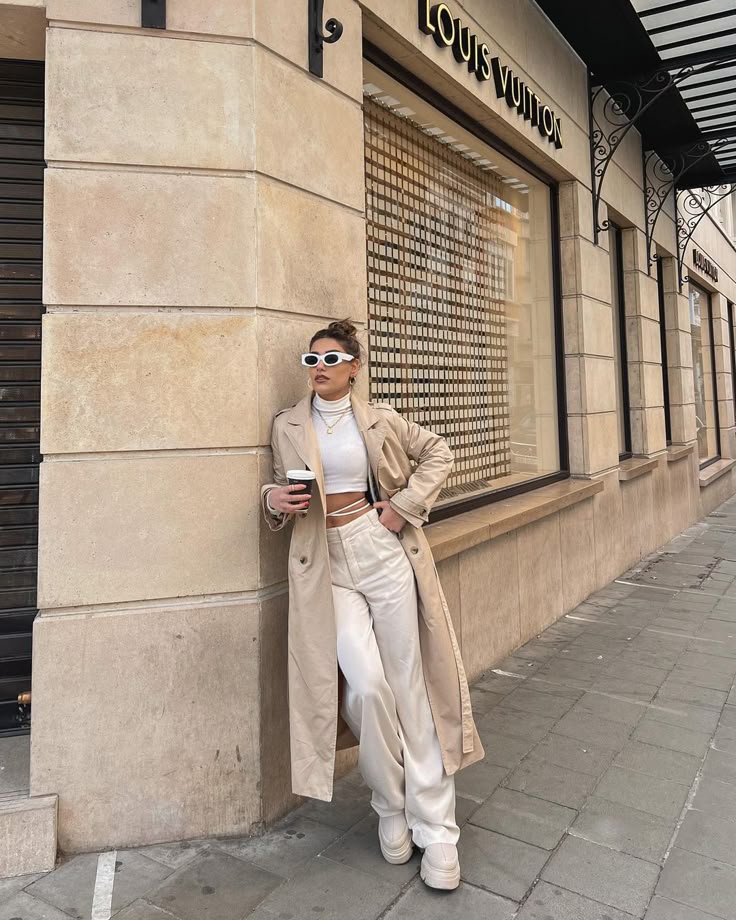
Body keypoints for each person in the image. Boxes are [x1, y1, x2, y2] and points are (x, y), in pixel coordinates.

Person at [261, 319, 483, 890]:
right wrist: (272, 499)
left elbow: (439, 453)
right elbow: (278, 493)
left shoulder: (381, 418)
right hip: (323, 562)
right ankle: (390, 803)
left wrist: (402, 506)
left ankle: (436, 828)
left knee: (410, 685)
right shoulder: (287, 423)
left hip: (379, 547)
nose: (320, 369)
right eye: (312, 361)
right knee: (365, 685)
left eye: (331, 359)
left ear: (354, 367)